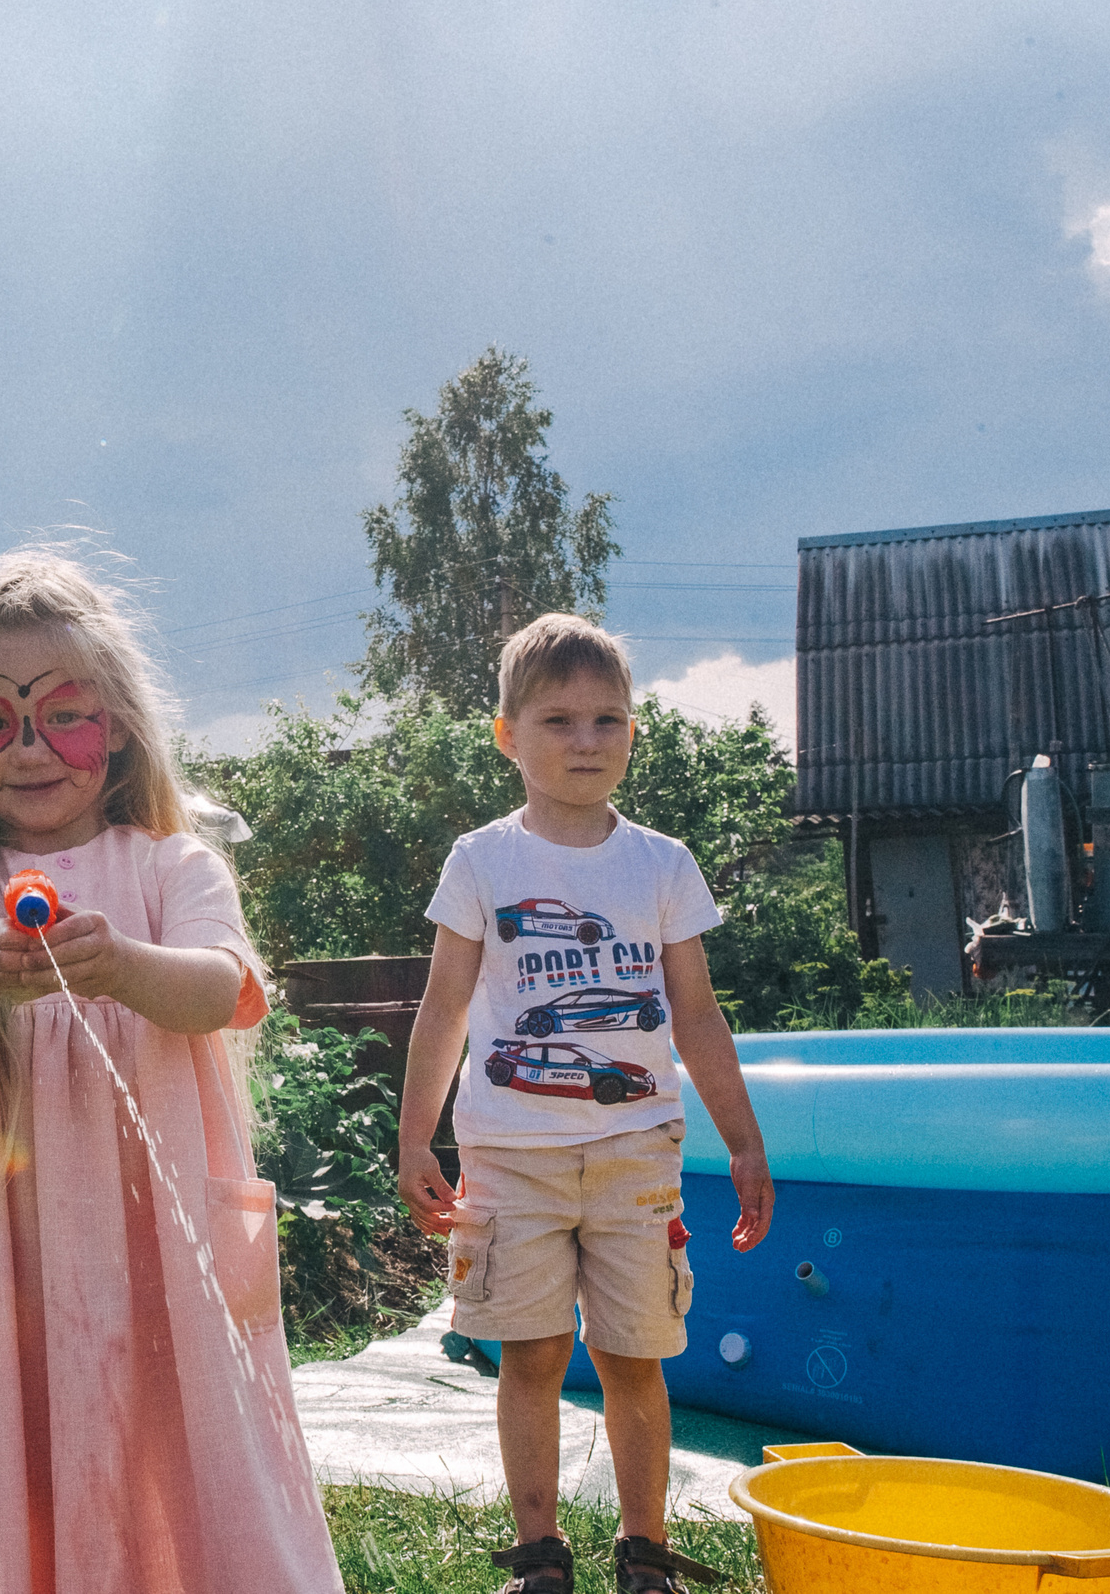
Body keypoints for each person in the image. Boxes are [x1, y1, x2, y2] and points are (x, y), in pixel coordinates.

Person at [0, 550, 344, 1594]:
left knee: (184, 1450)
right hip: (10, 1249)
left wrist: (121, 964)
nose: (28, 749)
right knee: (18, 1460)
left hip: (163, 1249)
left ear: (118, 723)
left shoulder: (173, 867)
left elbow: (219, 990)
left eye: (62, 713)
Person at [395, 614, 774, 1594]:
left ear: (634, 735)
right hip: (509, 1156)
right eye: (558, 720)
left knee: (633, 1357)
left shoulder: (659, 864)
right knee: (530, 1354)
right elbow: (441, 1010)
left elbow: (695, 1015)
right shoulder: (481, 862)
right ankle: (538, 1555)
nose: (585, 741)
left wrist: (742, 1141)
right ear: (507, 736)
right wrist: (414, 1138)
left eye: (608, 720)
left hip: (634, 1154)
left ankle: (644, 1553)